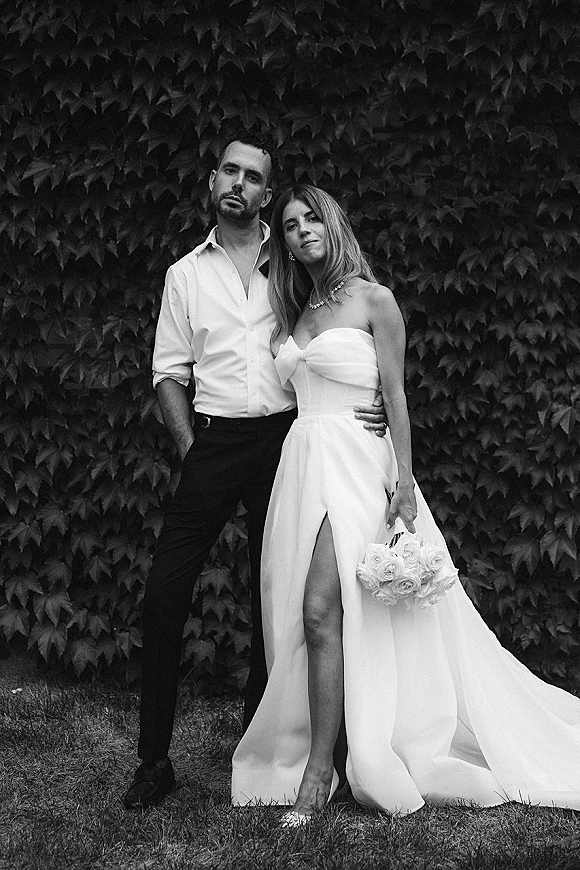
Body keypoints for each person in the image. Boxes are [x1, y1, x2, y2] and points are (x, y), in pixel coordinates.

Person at [231, 184, 580, 824]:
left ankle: (317, 773)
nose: (301, 230)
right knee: (309, 619)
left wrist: (405, 484)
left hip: (356, 467)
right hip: (301, 464)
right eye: (288, 225)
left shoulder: (375, 300)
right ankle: (328, 753)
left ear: (335, 226)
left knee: (318, 609)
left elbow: (395, 397)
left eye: (313, 218)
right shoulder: (296, 312)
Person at [122, 135, 386, 810]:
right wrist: (191, 450)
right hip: (211, 443)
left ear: (268, 193)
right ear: (213, 182)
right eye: (230, 173)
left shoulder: (294, 266)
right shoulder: (185, 274)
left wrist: (372, 402)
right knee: (163, 595)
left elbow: (342, 332)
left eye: (254, 177)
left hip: (287, 441)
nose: (240, 184)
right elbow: (167, 373)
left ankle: (267, 741)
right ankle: (154, 761)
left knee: (277, 596)